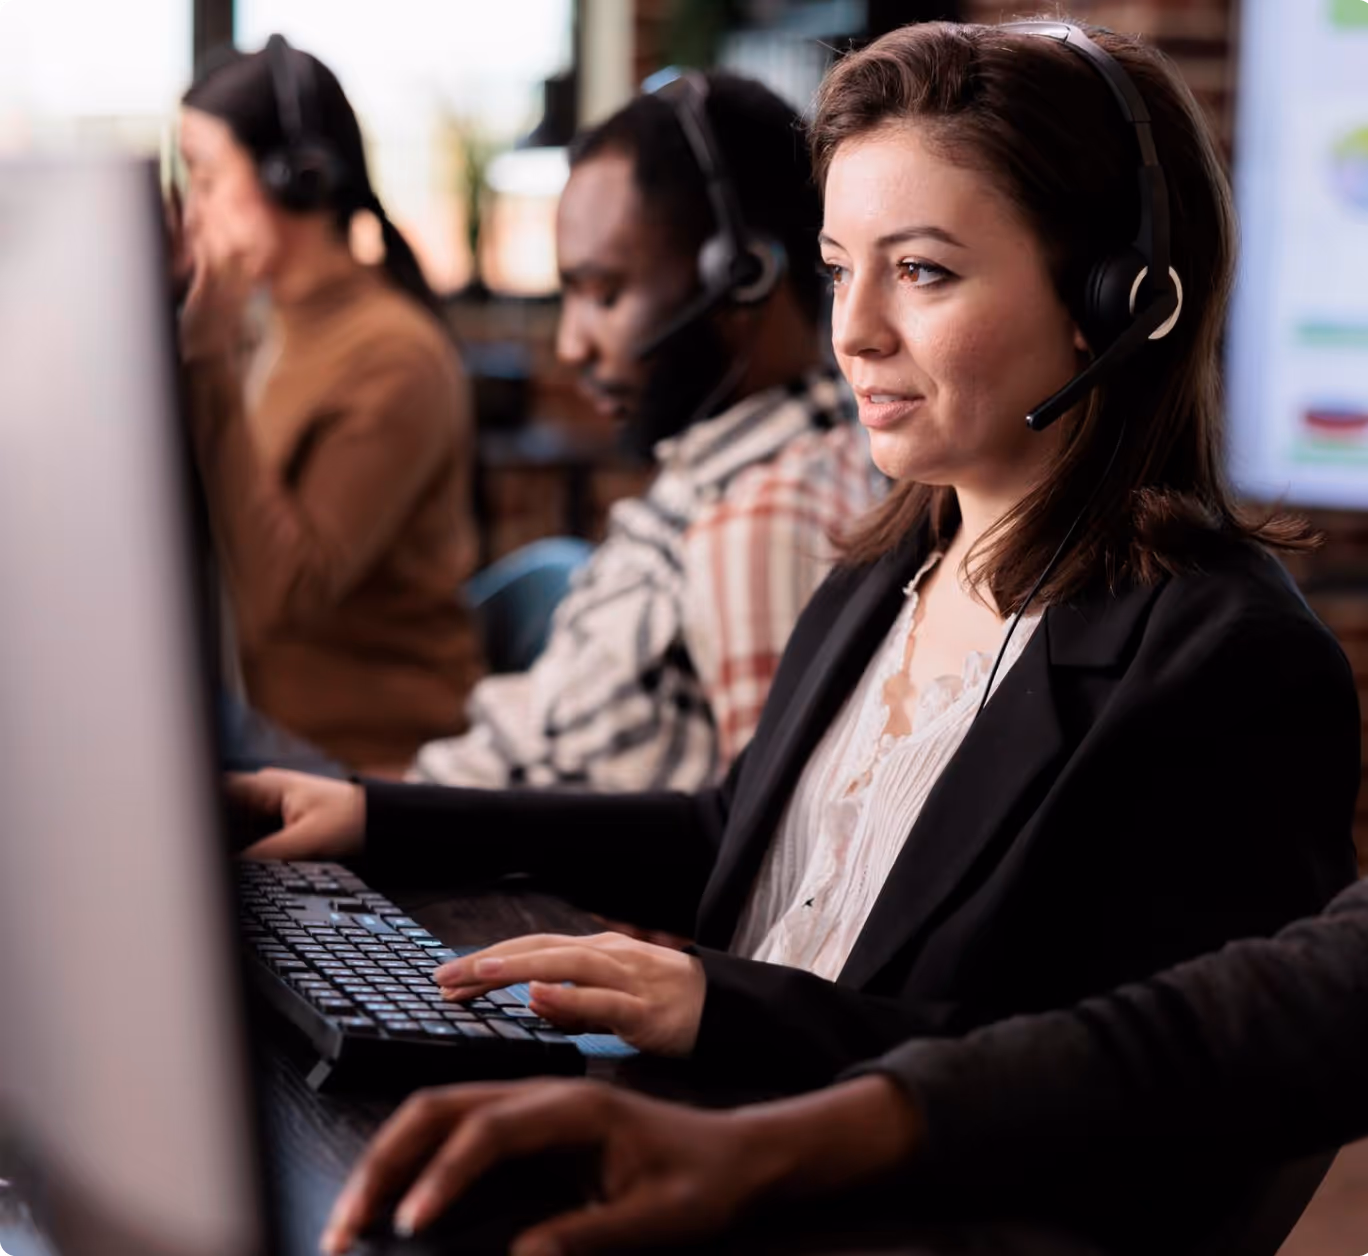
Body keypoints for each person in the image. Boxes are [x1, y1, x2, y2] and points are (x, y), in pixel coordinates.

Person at [237, 11, 1358, 1162]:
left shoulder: (1230, 661)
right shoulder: (895, 560)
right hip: (709, 1133)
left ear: (1117, 299)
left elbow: (1129, 1099)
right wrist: (378, 818)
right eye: (837, 272)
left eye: (921, 271)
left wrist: (719, 1004)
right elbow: (735, 830)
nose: (854, 332)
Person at [319, 872, 1368, 1256]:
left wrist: (761, 1135)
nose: (852, 357)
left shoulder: (1228, 640)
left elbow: (1223, 1032)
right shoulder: (885, 569)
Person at [410, 73, 881, 792]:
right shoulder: (722, 466)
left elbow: (761, 858)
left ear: (742, 274)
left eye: (605, 294)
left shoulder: (769, 525)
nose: (572, 347)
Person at [178, 37, 482, 775]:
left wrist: (207, 364)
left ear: (298, 179)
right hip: (266, 723)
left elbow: (285, 597)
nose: (194, 212)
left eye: (209, 179)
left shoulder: (392, 355)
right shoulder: (272, 327)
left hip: (358, 757)